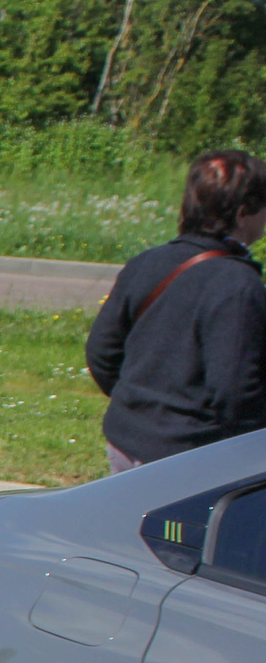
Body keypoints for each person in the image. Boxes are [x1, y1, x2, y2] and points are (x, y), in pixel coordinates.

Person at [87, 149, 266, 472]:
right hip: (187, 459)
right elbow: (236, 393)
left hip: (126, 444)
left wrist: (141, 407)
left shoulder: (146, 262)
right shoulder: (238, 284)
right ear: (242, 214)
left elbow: (102, 352)